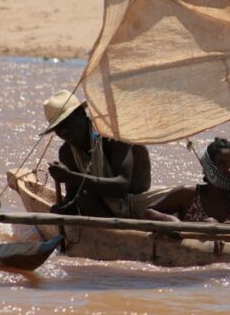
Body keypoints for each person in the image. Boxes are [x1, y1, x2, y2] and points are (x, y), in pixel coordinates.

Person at [42, 89, 172, 219]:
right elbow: (73, 196)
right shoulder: (67, 152)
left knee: (187, 192)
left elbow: (122, 186)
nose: (64, 132)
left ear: (81, 114)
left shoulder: (112, 136)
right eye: (58, 128)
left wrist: (70, 176)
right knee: (84, 196)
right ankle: (117, 233)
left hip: (137, 201)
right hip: (104, 211)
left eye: (67, 123)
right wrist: (62, 208)